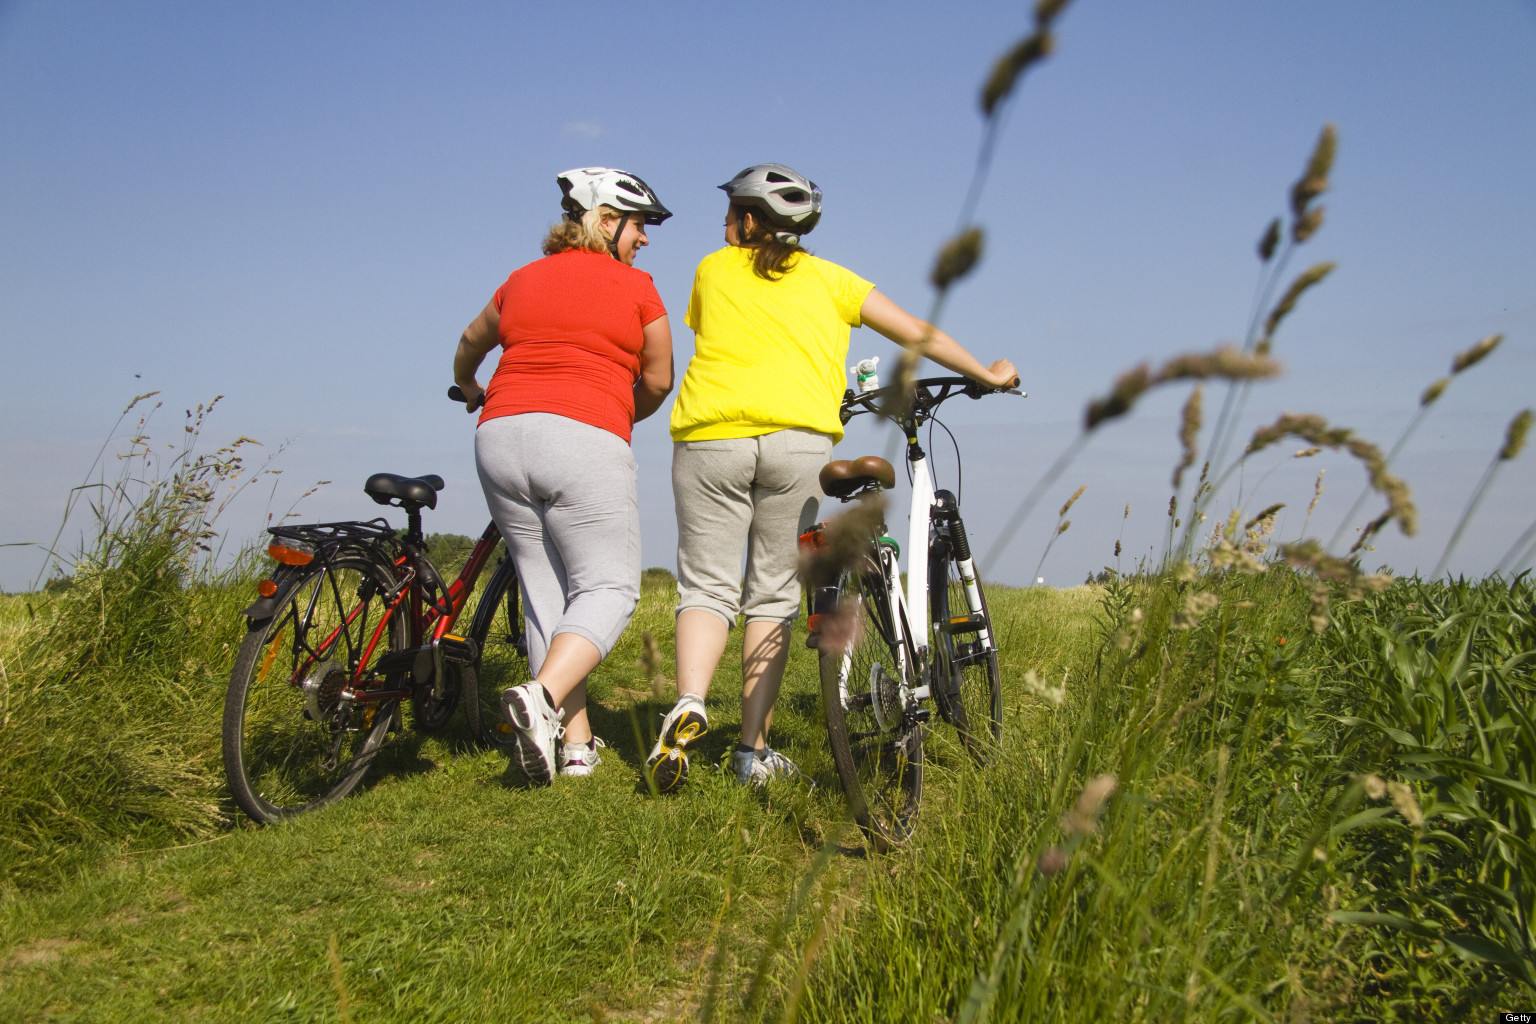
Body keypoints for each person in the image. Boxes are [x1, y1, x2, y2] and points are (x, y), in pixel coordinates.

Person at [647, 163, 1017, 790]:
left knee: (706, 588)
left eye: (731, 211)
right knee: (770, 597)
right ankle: (751, 752)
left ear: (750, 220)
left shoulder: (711, 269)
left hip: (711, 440)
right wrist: (985, 371)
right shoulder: (834, 280)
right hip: (798, 445)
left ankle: (688, 703)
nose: (724, 222)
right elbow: (916, 332)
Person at [454, 167, 674, 784]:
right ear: (607, 222)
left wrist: (471, 384)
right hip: (583, 434)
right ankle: (541, 698)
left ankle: (574, 749)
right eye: (639, 227)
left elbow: (471, 341)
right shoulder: (637, 287)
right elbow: (658, 378)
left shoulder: (520, 280)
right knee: (610, 589)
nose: (645, 240)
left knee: (545, 594)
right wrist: (616, 413)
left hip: (499, 436)